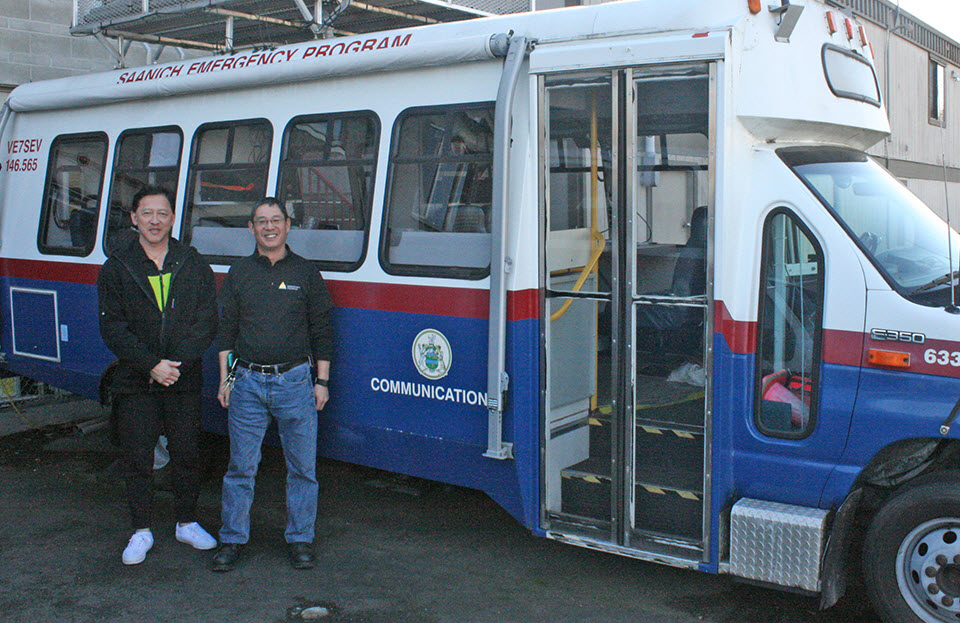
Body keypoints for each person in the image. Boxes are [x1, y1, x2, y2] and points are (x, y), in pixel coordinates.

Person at [97, 185, 219, 565]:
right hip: (136, 379)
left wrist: (174, 365)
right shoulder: (117, 265)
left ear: (172, 218)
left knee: (186, 454)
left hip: (182, 376)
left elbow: (207, 319)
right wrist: (151, 364)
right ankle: (141, 530)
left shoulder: (192, 262)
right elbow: (112, 328)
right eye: (146, 213)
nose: (154, 220)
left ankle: (186, 522)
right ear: (134, 218)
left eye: (162, 213)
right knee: (138, 457)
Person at [212, 197, 333, 572]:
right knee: (240, 469)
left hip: (296, 382)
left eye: (275, 220)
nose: (269, 227)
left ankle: (300, 540)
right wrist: (225, 380)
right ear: (251, 228)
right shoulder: (239, 273)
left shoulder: (306, 273)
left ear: (287, 225)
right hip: (246, 383)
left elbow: (322, 331)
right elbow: (227, 333)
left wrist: (322, 381)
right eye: (261, 221)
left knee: (302, 470)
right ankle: (232, 539)